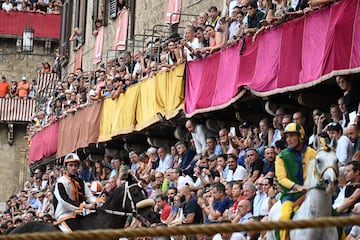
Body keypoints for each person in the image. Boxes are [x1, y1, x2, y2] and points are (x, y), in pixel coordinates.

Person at [275, 123, 316, 240]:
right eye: (287, 137)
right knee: (285, 217)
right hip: (291, 195)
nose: (289, 139)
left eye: (292, 136)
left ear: (300, 136)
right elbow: (281, 178)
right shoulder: (281, 156)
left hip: (311, 193)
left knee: (332, 213)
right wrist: (297, 187)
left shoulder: (312, 153)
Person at [53, 153, 96, 232]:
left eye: (75, 166)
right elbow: (64, 201)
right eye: (71, 165)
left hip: (78, 214)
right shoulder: (60, 182)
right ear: (65, 167)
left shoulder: (80, 181)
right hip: (64, 215)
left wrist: (97, 202)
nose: (73, 168)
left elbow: (89, 196)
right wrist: (85, 206)